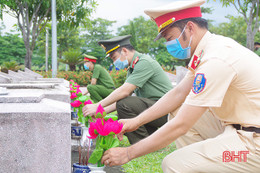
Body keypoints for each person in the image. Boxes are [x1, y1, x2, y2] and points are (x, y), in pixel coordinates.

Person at [100, 0, 260, 172]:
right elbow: (178, 93)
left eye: (170, 38)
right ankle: (204, 164)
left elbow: (182, 124)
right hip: (237, 128)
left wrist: (128, 153)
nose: (169, 44)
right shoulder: (207, 51)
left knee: (174, 164)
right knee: (176, 110)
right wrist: (136, 121)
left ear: (190, 28)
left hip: (253, 145)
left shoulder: (215, 59)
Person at [83, 35, 173, 144]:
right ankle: (148, 139)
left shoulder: (144, 62)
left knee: (124, 105)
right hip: (155, 109)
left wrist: (98, 106)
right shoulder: (132, 68)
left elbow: (124, 92)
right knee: (120, 113)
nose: (114, 62)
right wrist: (103, 111)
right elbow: (127, 95)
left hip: (167, 112)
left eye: (114, 57)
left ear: (124, 51)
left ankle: (140, 144)